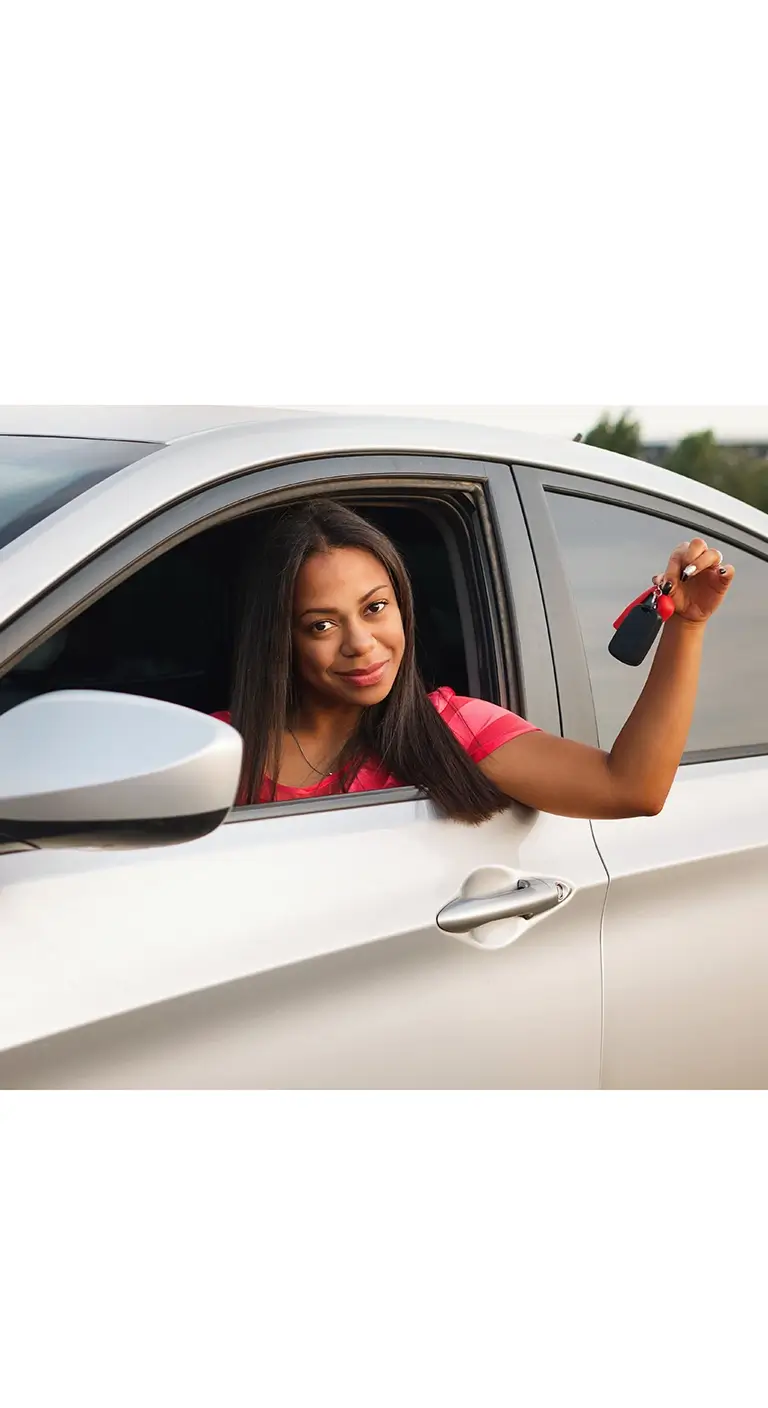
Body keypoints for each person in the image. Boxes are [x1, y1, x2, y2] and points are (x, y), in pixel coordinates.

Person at [214, 498, 734, 823]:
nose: (361, 643)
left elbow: (633, 789)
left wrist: (686, 627)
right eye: (322, 625)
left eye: (375, 608)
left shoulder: (450, 729)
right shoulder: (214, 749)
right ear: (280, 638)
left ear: (403, 608)